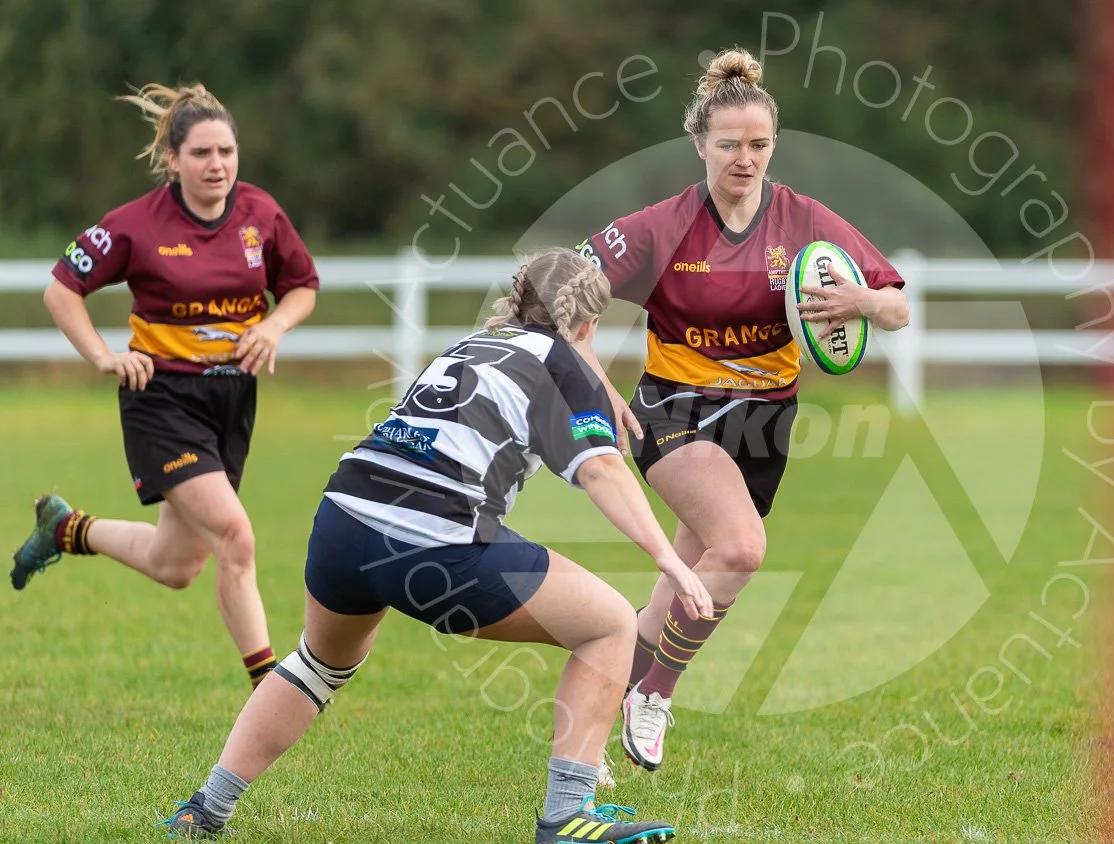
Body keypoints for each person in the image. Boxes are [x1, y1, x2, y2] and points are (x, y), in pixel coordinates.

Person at [162, 248, 710, 844]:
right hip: (434, 543)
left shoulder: (473, 344)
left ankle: (204, 809)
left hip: (344, 519)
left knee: (318, 664)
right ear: (588, 324)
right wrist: (668, 558)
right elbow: (601, 470)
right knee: (610, 626)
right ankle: (567, 817)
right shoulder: (561, 363)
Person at [573, 48, 911, 772]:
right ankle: (656, 692)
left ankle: (587, 730)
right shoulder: (663, 227)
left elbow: (898, 308)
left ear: (773, 146)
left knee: (685, 583)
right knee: (742, 549)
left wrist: (864, 301)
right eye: (728, 144)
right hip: (675, 408)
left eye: (759, 144)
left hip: (766, 422)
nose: (744, 158)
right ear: (699, 144)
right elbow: (565, 290)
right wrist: (594, 374)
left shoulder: (805, 221)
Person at [9, 82, 319, 689]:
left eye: (227, 151)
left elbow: (303, 285)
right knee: (236, 536)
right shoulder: (135, 224)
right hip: (162, 400)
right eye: (202, 153)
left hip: (231, 402)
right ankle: (273, 688)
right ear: (173, 160)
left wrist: (275, 324)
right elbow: (60, 290)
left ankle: (65, 529)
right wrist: (103, 355)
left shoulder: (261, 215)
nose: (218, 165)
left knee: (176, 564)